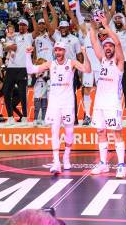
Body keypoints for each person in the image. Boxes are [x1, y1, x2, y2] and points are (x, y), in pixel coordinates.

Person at [25, 42, 90, 174]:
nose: (58, 52)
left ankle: (66, 156)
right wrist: (27, 54)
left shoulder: (71, 63)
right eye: (56, 50)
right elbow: (30, 70)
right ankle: (56, 162)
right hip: (54, 103)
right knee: (54, 131)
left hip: (67, 103)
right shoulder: (50, 64)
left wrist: (85, 54)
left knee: (69, 132)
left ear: (64, 51)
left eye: (60, 50)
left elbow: (87, 70)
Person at [88, 14, 126, 178]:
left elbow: (117, 42)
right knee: (100, 132)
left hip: (113, 103)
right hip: (99, 104)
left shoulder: (119, 62)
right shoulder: (102, 60)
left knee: (116, 133)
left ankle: (121, 165)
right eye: (106, 46)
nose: (108, 48)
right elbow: (93, 42)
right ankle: (103, 164)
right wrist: (93, 26)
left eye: (110, 46)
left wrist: (106, 25)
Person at [3, 19, 34, 125]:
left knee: (22, 94)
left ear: (27, 27)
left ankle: (25, 117)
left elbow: (37, 30)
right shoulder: (13, 36)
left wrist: (32, 16)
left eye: (23, 25)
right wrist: (9, 46)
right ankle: (10, 117)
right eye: (20, 25)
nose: (21, 27)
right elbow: (6, 48)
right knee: (6, 91)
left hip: (23, 68)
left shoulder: (30, 36)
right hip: (11, 67)